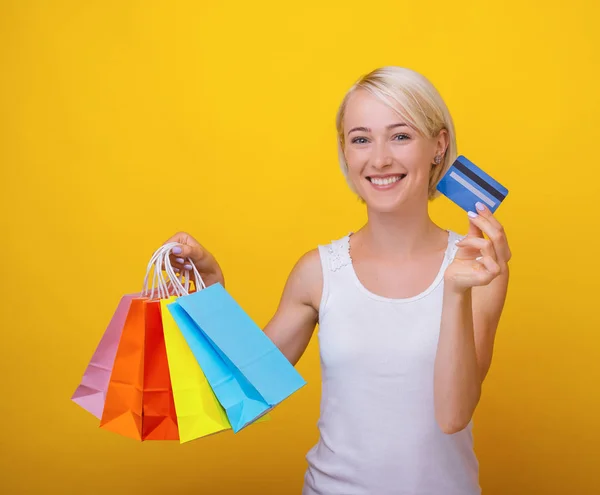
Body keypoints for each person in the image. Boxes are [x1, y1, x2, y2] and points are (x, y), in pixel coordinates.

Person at [163, 66, 511, 495]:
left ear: (438, 146)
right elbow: (243, 391)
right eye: (361, 138)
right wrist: (211, 291)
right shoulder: (318, 271)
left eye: (400, 136)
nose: (379, 158)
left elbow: (453, 415)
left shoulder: (479, 267)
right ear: (345, 151)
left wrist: (454, 292)